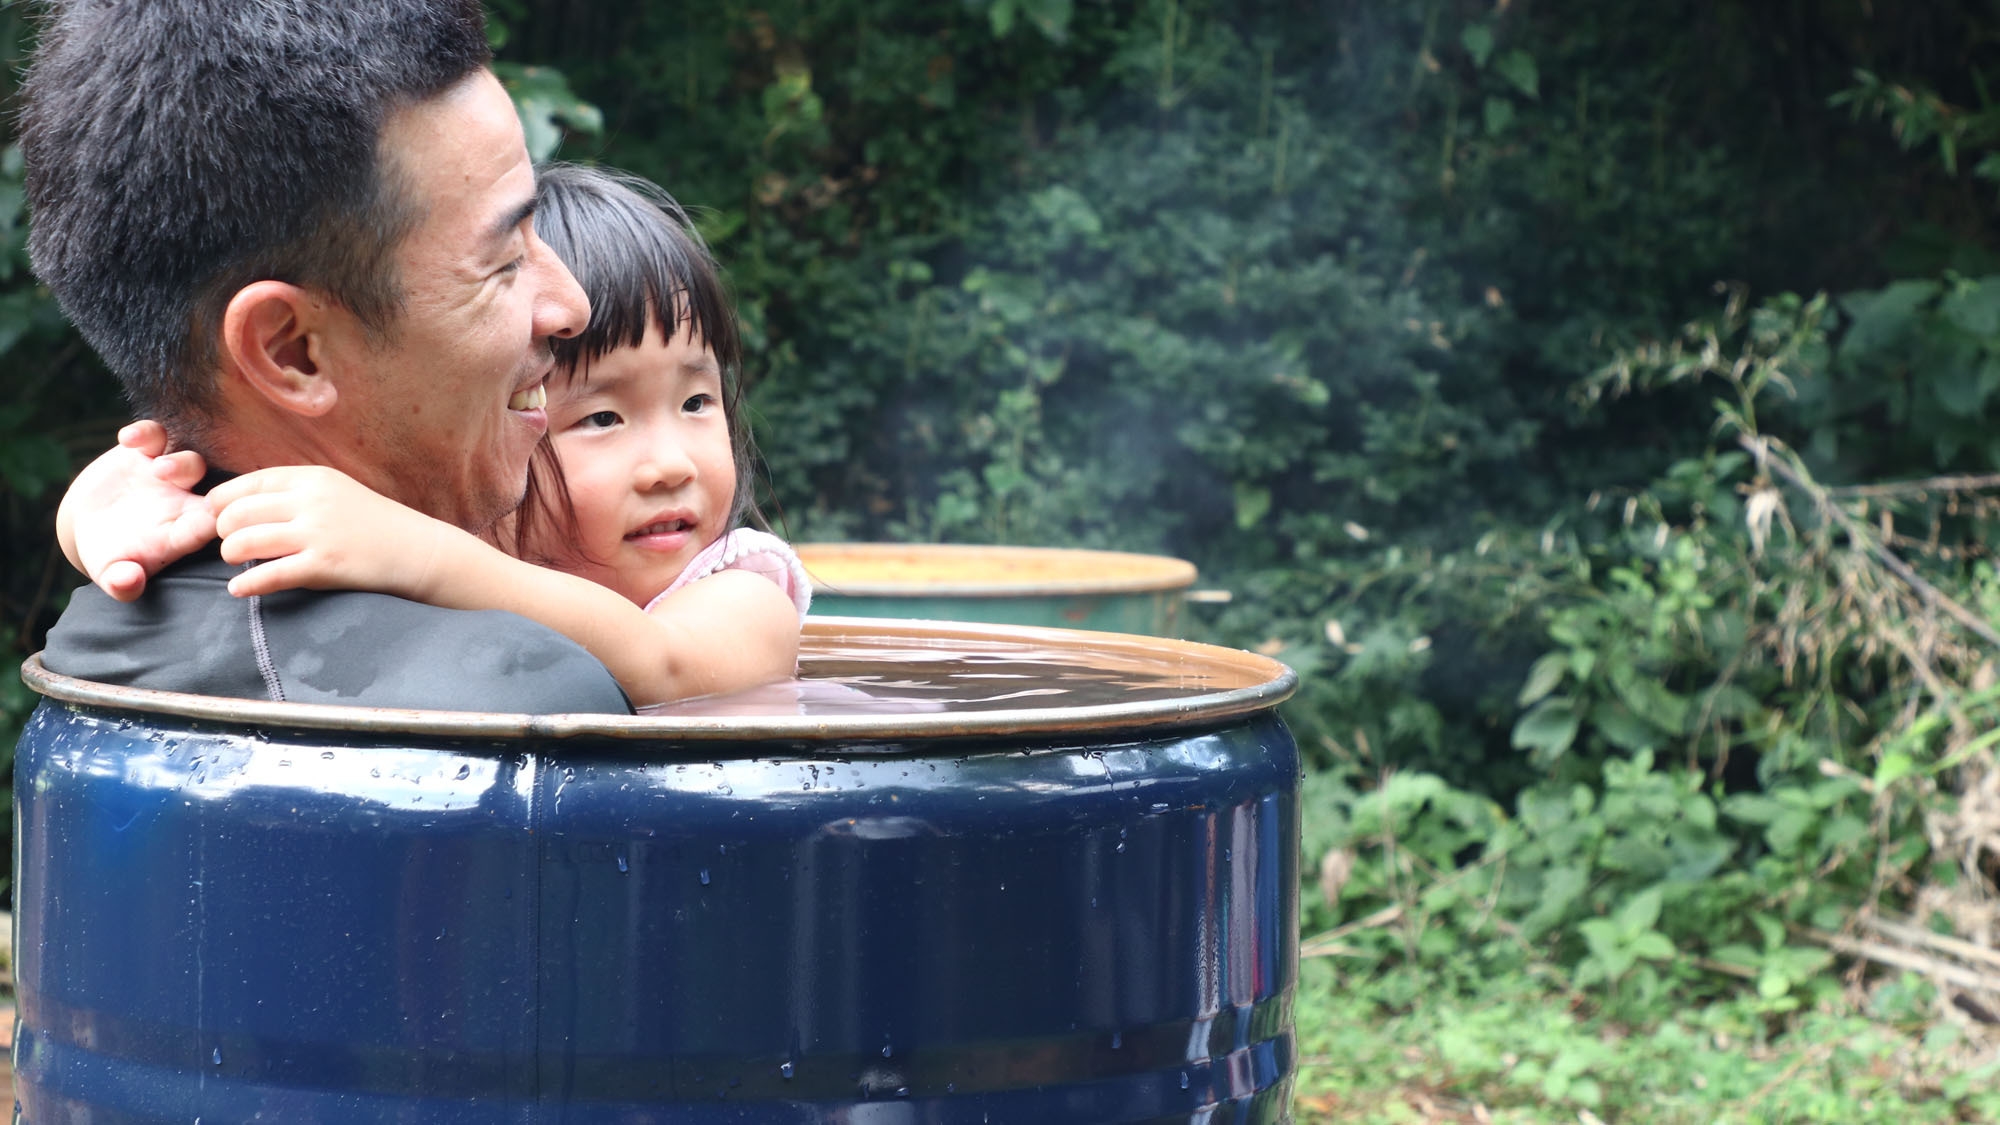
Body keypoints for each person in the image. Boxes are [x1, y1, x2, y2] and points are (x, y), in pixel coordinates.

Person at [23, 0, 628, 713]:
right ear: (292, 351)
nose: (572, 307)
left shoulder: (99, 641)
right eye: (503, 263)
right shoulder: (513, 699)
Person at [66, 165, 808, 707]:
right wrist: (114, 512)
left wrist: (418, 554)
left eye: (698, 399)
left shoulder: (743, 591)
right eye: (603, 418)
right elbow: (281, 504)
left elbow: (663, 663)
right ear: (513, 420)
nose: (670, 464)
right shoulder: (481, 524)